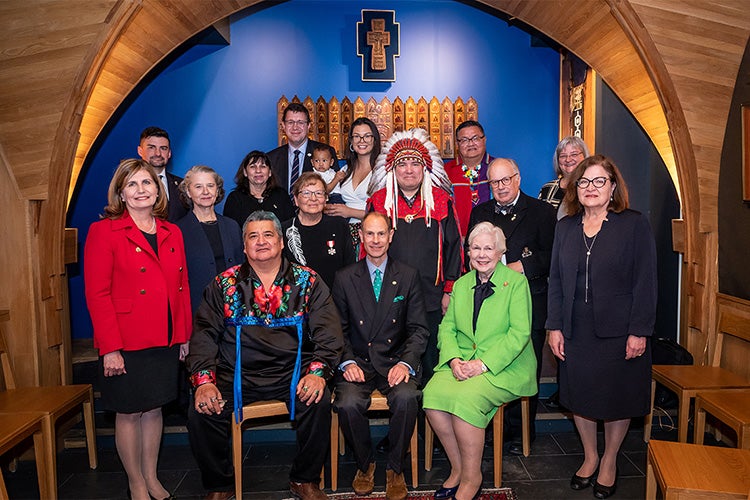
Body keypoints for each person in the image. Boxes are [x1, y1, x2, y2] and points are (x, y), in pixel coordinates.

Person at [186, 211, 344, 500]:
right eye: (253, 236)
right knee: (202, 410)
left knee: (317, 402)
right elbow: (204, 334)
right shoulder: (224, 284)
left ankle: (304, 480)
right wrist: (204, 381)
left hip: (292, 372)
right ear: (244, 246)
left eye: (268, 234)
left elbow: (329, 334)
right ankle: (219, 485)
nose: (261, 242)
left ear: (281, 242)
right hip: (236, 374)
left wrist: (317, 373)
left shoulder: (307, 281)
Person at [546, 155, 657, 499]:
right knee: (580, 395)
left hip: (620, 330)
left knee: (616, 398)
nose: (590, 188)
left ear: (612, 187)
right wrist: (554, 326)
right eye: (583, 182)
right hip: (574, 329)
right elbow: (556, 283)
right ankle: (590, 456)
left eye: (598, 181)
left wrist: (639, 330)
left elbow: (646, 281)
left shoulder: (633, 225)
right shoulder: (565, 228)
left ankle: (610, 459)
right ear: (574, 189)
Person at [84, 158, 191, 500]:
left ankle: (151, 476)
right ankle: (135, 482)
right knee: (129, 413)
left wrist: (183, 335)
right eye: (133, 184)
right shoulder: (103, 231)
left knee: (155, 408)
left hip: (164, 335)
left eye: (147, 183)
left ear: (157, 189)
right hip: (126, 339)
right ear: (121, 192)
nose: (141, 190)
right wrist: (109, 348)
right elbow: (97, 294)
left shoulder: (172, 230)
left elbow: (182, 286)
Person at [422, 222, 537, 500]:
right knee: (432, 396)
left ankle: (473, 478)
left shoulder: (516, 283)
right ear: (468, 252)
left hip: (505, 366)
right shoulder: (461, 285)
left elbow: (519, 333)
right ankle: (459, 468)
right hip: (462, 360)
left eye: (489, 248)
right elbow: (447, 327)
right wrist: (453, 360)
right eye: (476, 248)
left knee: (465, 402)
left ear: (500, 253)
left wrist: (482, 364)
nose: (482, 254)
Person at [331, 211, 428, 500]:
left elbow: (419, 329)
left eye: (381, 233)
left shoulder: (408, 275)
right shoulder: (344, 277)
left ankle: (395, 469)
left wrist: (406, 362)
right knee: (347, 403)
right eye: (369, 234)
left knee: (408, 397)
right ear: (360, 236)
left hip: (395, 360)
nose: (375, 240)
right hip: (358, 362)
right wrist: (346, 361)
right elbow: (338, 331)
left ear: (390, 236)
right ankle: (365, 465)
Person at [467, 158, 556, 455]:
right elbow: (471, 254)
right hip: (489, 303)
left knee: (523, 366)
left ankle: (521, 433)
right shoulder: (480, 212)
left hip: (530, 298)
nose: (501, 187)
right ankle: (494, 431)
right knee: (492, 362)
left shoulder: (542, 212)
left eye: (506, 180)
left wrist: (521, 266)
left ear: (518, 179)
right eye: (494, 182)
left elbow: (552, 256)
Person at [367, 127, 463, 382]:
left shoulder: (442, 200)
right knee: (396, 363)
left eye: (414, 163)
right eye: (402, 164)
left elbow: (454, 247)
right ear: (392, 169)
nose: (408, 169)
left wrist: (449, 290)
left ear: (425, 167)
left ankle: (432, 418)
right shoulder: (378, 201)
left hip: (432, 296)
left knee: (432, 361)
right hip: (389, 297)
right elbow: (366, 248)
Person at [175, 165, 244, 313]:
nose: (205, 192)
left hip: (232, 311)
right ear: (188, 191)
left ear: (217, 190)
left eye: (210, 186)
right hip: (197, 311)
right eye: (198, 187)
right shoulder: (178, 231)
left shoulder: (232, 226)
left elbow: (242, 270)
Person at [282, 172, 356, 287]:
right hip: (298, 299)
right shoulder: (284, 230)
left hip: (335, 298)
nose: (313, 198)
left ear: (326, 198)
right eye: (306, 193)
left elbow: (350, 268)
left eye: (319, 193)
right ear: (296, 199)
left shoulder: (339, 225)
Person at [325, 117, 382, 254]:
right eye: (357, 136)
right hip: (344, 233)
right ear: (351, 141)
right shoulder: (345, 170)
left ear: (374, 140)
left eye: (367, 136)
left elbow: (386, 213)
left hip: (372, 234)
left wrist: (349, 212)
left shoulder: (382, 171)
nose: (362, 141)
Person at [267, 103, 338, 193]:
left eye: (300, 122)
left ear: (308, 126)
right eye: (290, 122)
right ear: (283, 126)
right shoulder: (271, 158)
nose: (295, 127)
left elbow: (334, 190)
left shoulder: (326, 152)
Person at [444, 120, 495, 238]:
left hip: (492, 242)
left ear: (484, 140)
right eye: (464, 140)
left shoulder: (497, 167)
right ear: (457, 144)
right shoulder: (446, 172)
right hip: (457, 243)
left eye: (475, 138)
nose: (471, 144)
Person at [222, 150, 295, 229]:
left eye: (263, 166)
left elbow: (290, 228)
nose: (258, 171)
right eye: (253, 167)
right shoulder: (235, 198)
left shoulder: (281, 196)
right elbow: (231, 231)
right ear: (245, 172)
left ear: (270, 172)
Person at [137, 126, 188, 222]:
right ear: (140, 151)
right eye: (151, 147)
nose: (158, 153)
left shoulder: (183, 185)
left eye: (163, 148)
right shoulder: (128, 185)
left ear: (169, 153)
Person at [538, 136, 590, 218]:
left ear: (584, 157)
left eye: (574, 154)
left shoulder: (591, 188)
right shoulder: (547, 188)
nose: (568, 160)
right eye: (563, 156)